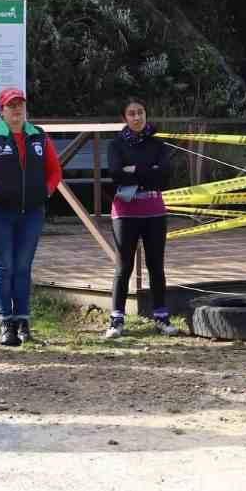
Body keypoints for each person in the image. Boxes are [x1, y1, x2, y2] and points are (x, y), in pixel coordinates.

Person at [0, 87, 63, 347]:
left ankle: (23, 323)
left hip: (31, 213)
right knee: (3, 266)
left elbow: (55, 171)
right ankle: (5, 324)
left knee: (22, 267)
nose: (17, 109)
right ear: (1, 111)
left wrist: (47, 191)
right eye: (11, 105)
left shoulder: (38, 136)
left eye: (20, 105)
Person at [104, 96, 178, 339]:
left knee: (156, 265)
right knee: (123, 266)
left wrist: (133, 169)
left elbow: (165, 175)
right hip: (125, 212)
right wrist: (148, 170)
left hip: (154, 210)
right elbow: (115, 173)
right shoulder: (116, 145)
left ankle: (161, 316)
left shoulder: (158, 144)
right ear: (124, 118)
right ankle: (116, 319)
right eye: (132, 113)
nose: (137, 117)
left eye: (141, 112)